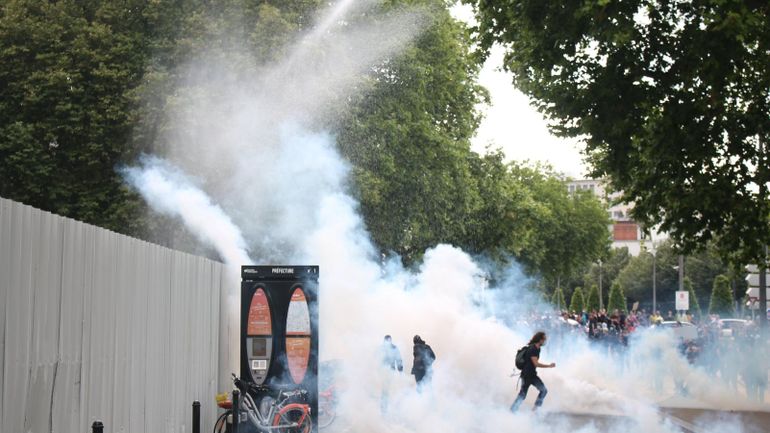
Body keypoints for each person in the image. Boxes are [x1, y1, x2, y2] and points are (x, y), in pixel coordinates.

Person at [510, 331, 555, 412]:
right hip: (527, 375)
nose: (545, 341)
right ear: (540, 339)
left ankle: (534, 410)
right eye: (544, 339)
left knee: (543, 390)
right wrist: (549, 366)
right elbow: (536, 363)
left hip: (532, 375)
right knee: (522, 395)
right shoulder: (533, 349)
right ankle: (513, 410)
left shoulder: (538, 349)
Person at [380, 335, 403, 413]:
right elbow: (399, 359)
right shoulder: (391, 347)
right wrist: (400, 370)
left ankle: (385, 407)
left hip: (387, 371)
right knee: (386, 389)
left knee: (385, 389)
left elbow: (398, 359)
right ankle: (385, 407)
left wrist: (400, 369)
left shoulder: (384, 347)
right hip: (385, 371)